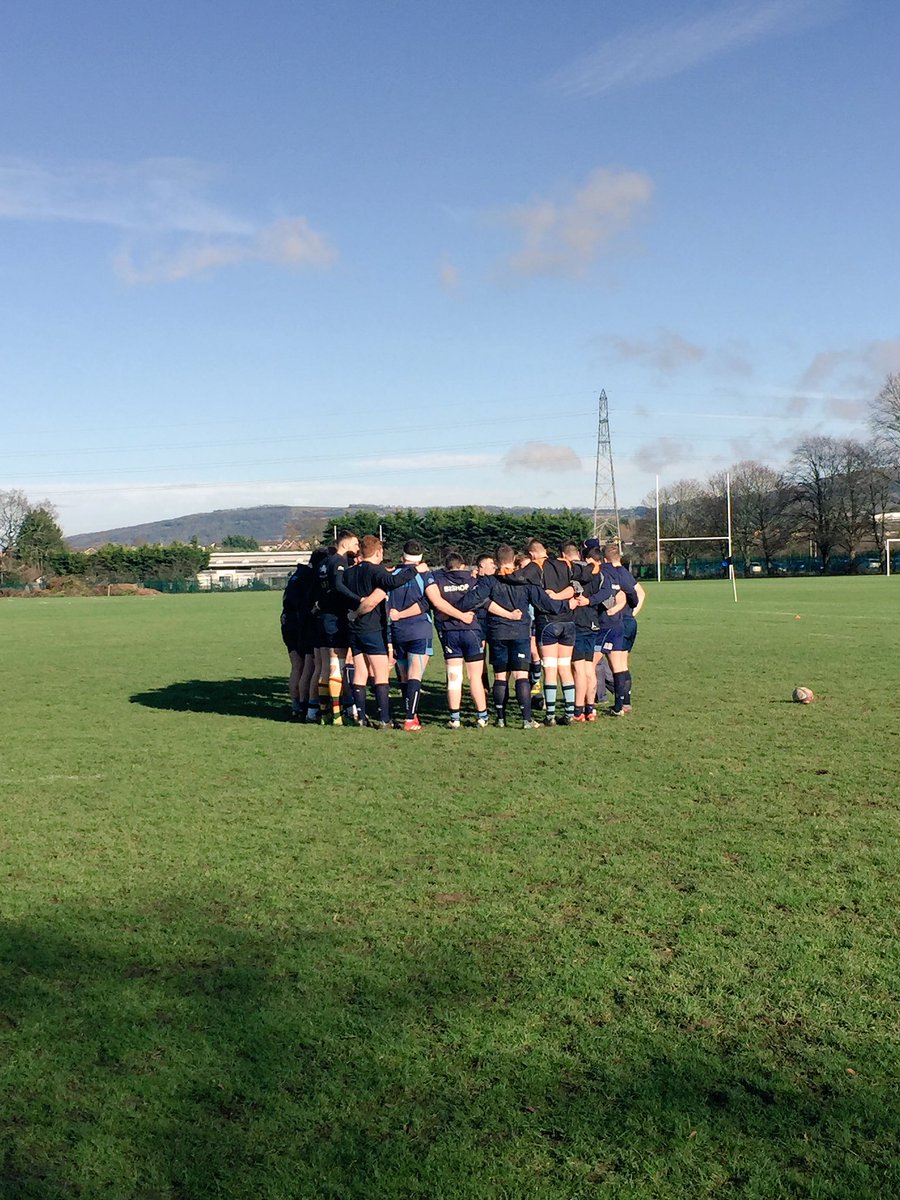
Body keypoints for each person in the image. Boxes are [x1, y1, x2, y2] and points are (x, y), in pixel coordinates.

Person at [462, 560, 577, 728]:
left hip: (497, 632)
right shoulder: (526, 582)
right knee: (521, 676)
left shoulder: (490, 581)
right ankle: (526, 720)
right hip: (521, 632)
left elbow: (474, 599)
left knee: (500, 677)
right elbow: (546, 603)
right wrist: (566, 605)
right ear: (513, 561)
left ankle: (500, 719)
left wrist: (455, 607)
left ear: (497, 562)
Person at [388, 539, 476, 730]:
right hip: (419, 630)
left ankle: (412, 714)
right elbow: (437, 602)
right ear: (421, 557)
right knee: (415, 675)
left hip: (397, 630)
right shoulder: (425, 575)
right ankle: (410, 719)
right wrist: (461, 615)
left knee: (404, 676)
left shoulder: (392, 574)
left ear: (402, 556)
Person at [339, 535, 421, 727]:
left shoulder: (349, 573)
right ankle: (384, 718)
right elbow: (392, 582)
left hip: (354, 628)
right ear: (378, 552)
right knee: (381, 673)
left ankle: (360, 716)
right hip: (373, 627)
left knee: (360, 672)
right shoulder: (375, 570)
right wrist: (414, 570)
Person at [505, 540, 577, 725]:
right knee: (565, 668)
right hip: (568, 622)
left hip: (547, 622)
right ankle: (570, 713)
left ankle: (550, 715)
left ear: (532, 554)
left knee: (550, 669)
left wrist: (502, 572)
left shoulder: (536, 566)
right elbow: (577, 584)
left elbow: (517, 577)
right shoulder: (564, 563)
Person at [430, 553, 490, 728]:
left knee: (454, 677)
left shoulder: (439, 582)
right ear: (463, 565)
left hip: (450, 632)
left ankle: (455, 718)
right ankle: (482, 716)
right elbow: (485, 603)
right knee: (475, 677)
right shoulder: (473, 581)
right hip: (471, 631)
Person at [313, 529, 359, 725]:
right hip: (335, 617)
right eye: (355, 544)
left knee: (324, 667)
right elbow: (339, 587)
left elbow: (317, 588)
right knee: (335, 666)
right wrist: (358, 600)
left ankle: (324, 714)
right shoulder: (339, 561)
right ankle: (337, 716)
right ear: (345, 544)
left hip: (322, 617)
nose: (357, 548)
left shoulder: (323, 563)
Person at [280, 551, 324, 722]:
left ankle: (296, 705)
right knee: (307, 665)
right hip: (301, 624)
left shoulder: (297, 575)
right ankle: (306, 705)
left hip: (288, 623)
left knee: (296, 666)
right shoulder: (309, 577)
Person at [601, 543, 644, 714]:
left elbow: (639, 593)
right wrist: (633, 613)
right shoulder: (625, 573)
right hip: (629, 622)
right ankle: (625, 701)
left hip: (619, 621)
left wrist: (629, 614)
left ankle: (620, 703)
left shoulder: (613, 573)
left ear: (605, 559)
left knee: (616, 665)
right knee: (623, 664)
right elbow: (640, 593)